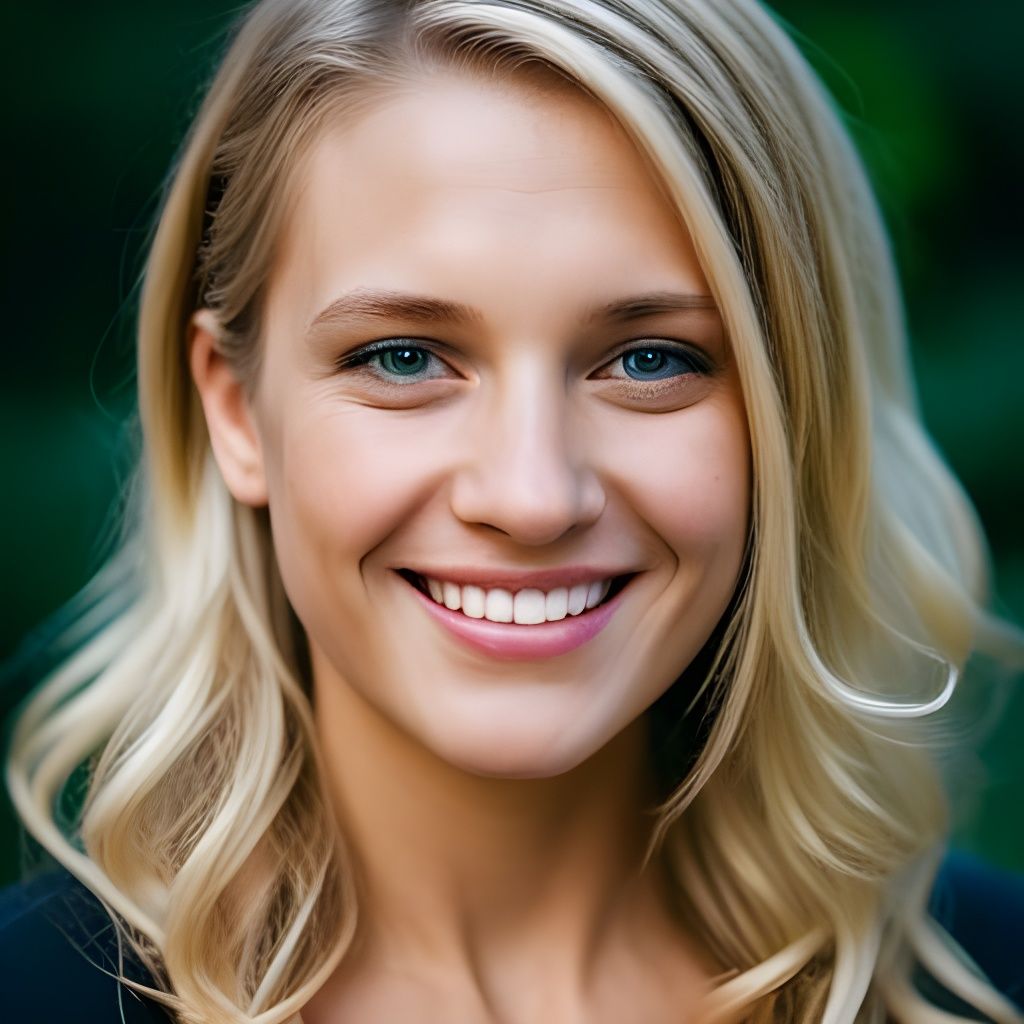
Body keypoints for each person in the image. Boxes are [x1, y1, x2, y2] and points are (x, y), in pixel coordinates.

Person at [2, 0, 1023, 1021]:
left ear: (791, 412)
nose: (532, 496)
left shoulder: (987, 979)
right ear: (234, 410)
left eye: (649, 360)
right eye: (402, 358)